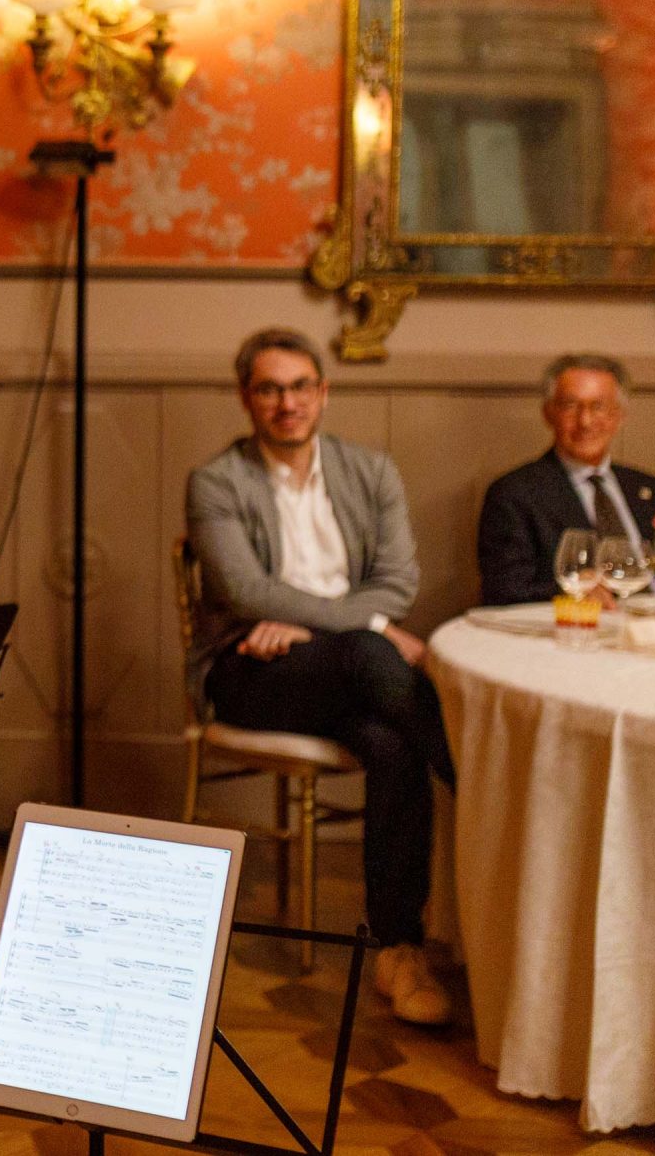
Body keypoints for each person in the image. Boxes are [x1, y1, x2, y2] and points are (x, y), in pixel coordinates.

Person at [185, 327, 455, 1027]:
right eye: (271, 389)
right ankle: (466, 771)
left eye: (301, 386)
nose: (288, 402)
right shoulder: (216, 482)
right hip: (252, 668)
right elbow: (245, 592)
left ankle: (397, 949)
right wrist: (368, 627)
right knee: (370, 653)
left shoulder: (371, 471)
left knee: (392, 745)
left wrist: (320, 625)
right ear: (247, 397)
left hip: (346, 672)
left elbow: (398, 581)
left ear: (324, 392)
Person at [476, 354, 655, 605]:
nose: (585, 421)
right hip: (579, 624)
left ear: (619, 415)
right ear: (549, 413)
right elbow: (503, 590)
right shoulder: (514, 494)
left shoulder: (652, 489)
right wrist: (571, 590)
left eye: (598, 406)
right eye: (570, 406)